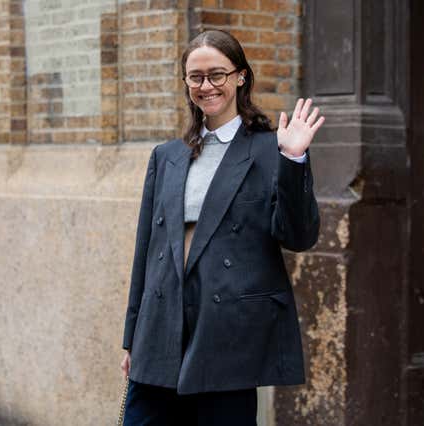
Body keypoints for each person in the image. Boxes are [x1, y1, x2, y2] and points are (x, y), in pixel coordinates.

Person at [120, 29, 324, 425]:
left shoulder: (270, 148)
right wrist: (132, 339)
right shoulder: (167, 156)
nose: (206, 86)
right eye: (195, 77)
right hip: (161, 334)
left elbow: (299, 237)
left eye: (217, 74)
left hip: (227, 336)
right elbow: (146, 254)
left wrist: (293, 159)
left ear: (240, 77)